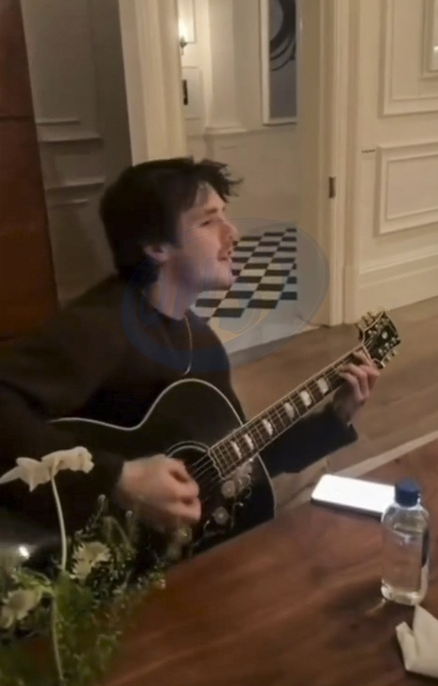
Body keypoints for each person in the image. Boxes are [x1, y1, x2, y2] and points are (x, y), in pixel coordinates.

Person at [0, 158, 379, 537]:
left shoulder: (202, 344)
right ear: (157, 247)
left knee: (315, 472)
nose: (232, 233)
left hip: (169, 537)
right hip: (83, 541)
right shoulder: (97, 327)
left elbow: (237, 458)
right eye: (209, 221)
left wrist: (335, 417)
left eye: (225, 216)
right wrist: (118, 479)